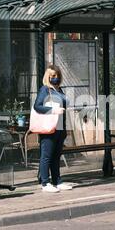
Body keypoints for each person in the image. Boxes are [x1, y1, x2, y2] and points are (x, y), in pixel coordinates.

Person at [34, 65, 73, 193]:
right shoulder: (45, 90)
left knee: (56, 156)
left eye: (57, 76)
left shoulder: (59, 90)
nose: (55, 78)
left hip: (59, 128)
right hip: (48, 128)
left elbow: (64, 110)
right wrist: (53, 110)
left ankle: (57, 181)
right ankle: (45, 183)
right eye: (52, 76)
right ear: (48, 77)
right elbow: (37, 106)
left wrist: (65, 129)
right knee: (46, 156)